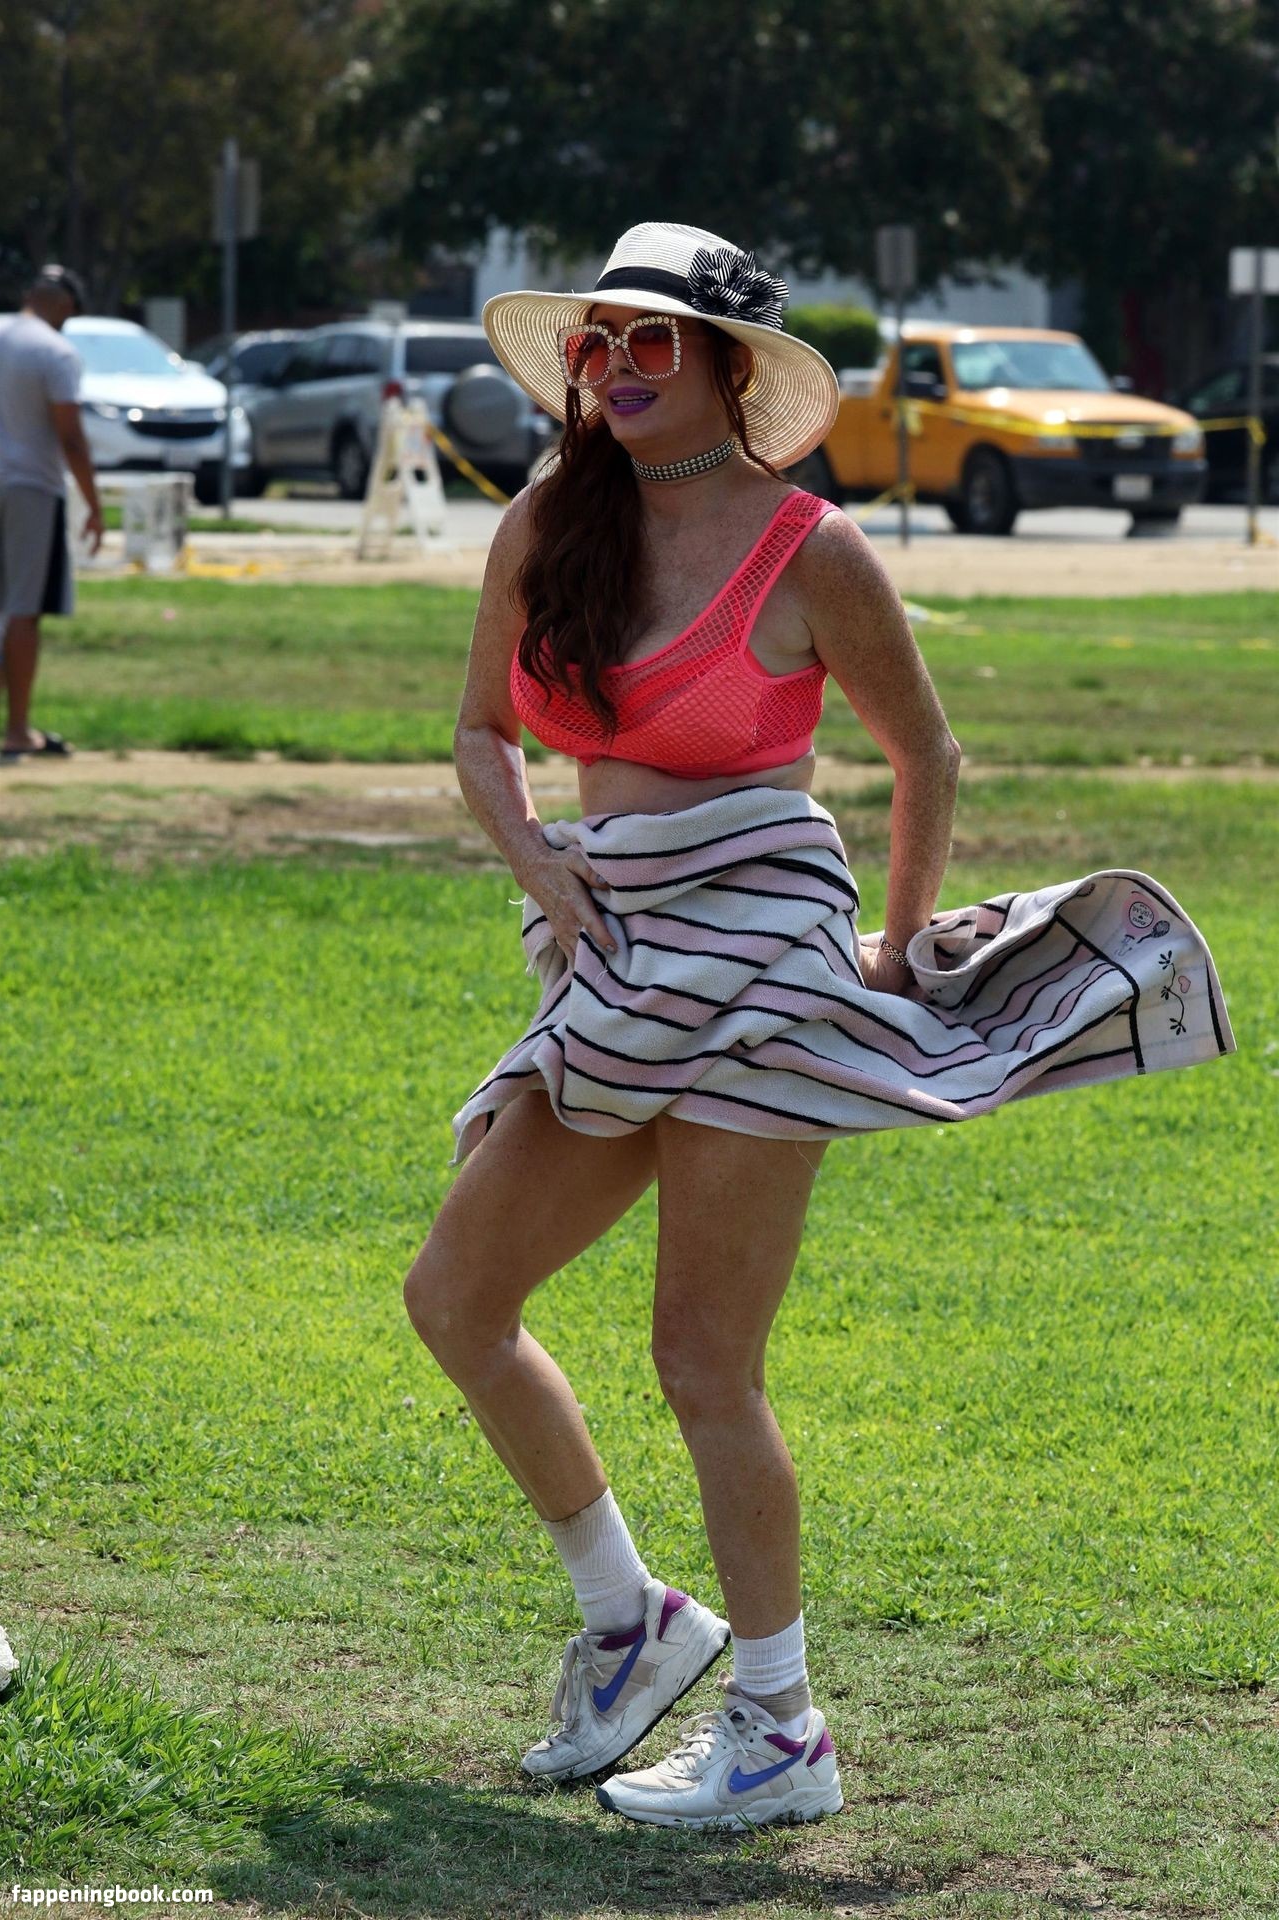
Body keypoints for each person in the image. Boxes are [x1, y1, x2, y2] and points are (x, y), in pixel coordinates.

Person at [402, 222, 1235, 1832]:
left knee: (703, 1362)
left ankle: (782, 1731)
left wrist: (900, 951)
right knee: (457, 1295)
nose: (617, 367)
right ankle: (633, 1622)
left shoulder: (811, 549)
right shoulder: (550, 518)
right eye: (597, 343)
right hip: (615, 962)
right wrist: (540, 872)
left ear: (730, 367)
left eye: (653, 341)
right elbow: (481, 728)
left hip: (763, 977)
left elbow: (927, 755)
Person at [0, 262, 103, 761]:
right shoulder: (54, 351)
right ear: (65, 305)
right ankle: (18, 730)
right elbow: (71, 437)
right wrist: (94, 505)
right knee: (23, 608)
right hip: (29, 486)